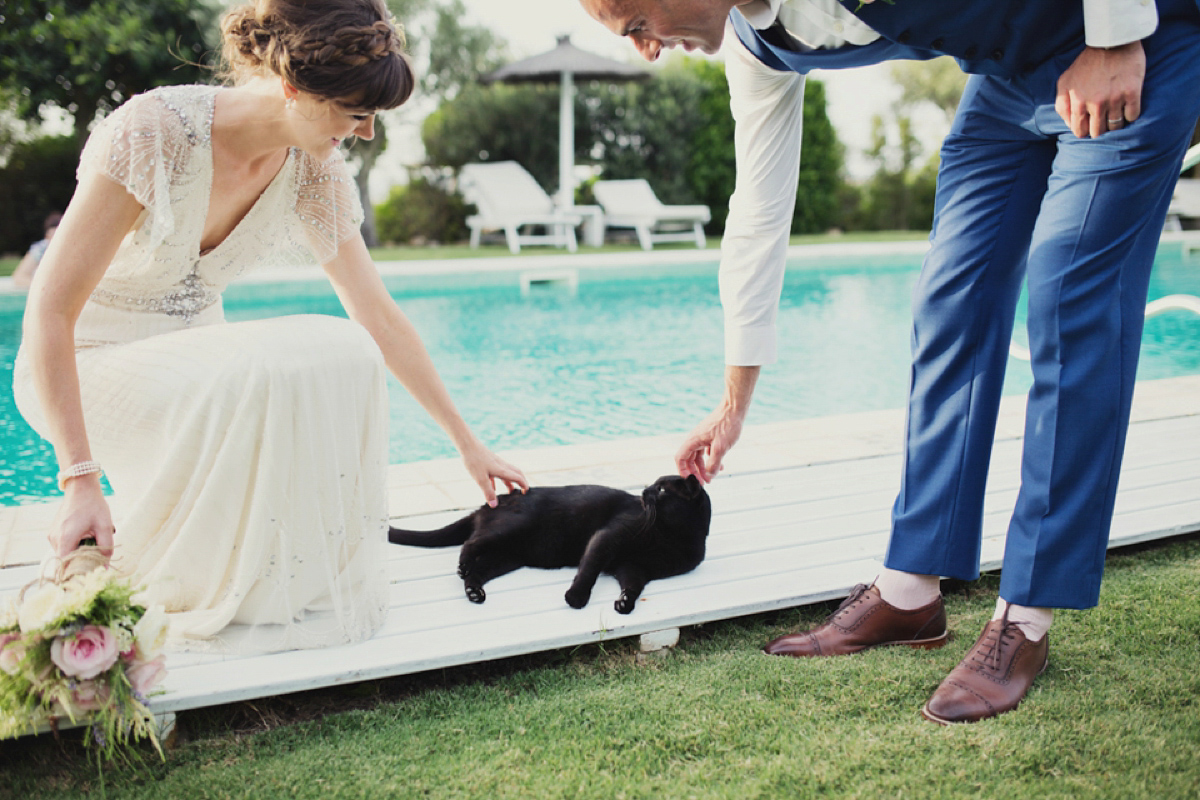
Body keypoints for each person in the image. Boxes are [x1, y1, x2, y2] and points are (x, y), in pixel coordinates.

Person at [580, 0, 1200, 723]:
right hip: (1009, 74)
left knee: (1067, 295)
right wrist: (733, 403)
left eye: (635, 27)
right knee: (948, 299)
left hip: (1131, 41)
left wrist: (1116, 38)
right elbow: (758, 212)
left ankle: (1026, 616)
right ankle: (911, 593)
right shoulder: (759, 47)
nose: (645, 51)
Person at [13, 0, 528, 654]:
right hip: (84, 363)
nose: (366, 133)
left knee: (336, 355)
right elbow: (49, 308)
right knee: (269, 362)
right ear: (293, 87)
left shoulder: (315, 171)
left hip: (202, 375)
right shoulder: (154, 132)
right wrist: (78, 479)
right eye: (355, 113)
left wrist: (467, 443)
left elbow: (380, 318)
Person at [11, 212, 62, 290]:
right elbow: (19, 276)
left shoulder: (74, 250)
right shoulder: (40, 250)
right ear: (47, 236)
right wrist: (41, 287)